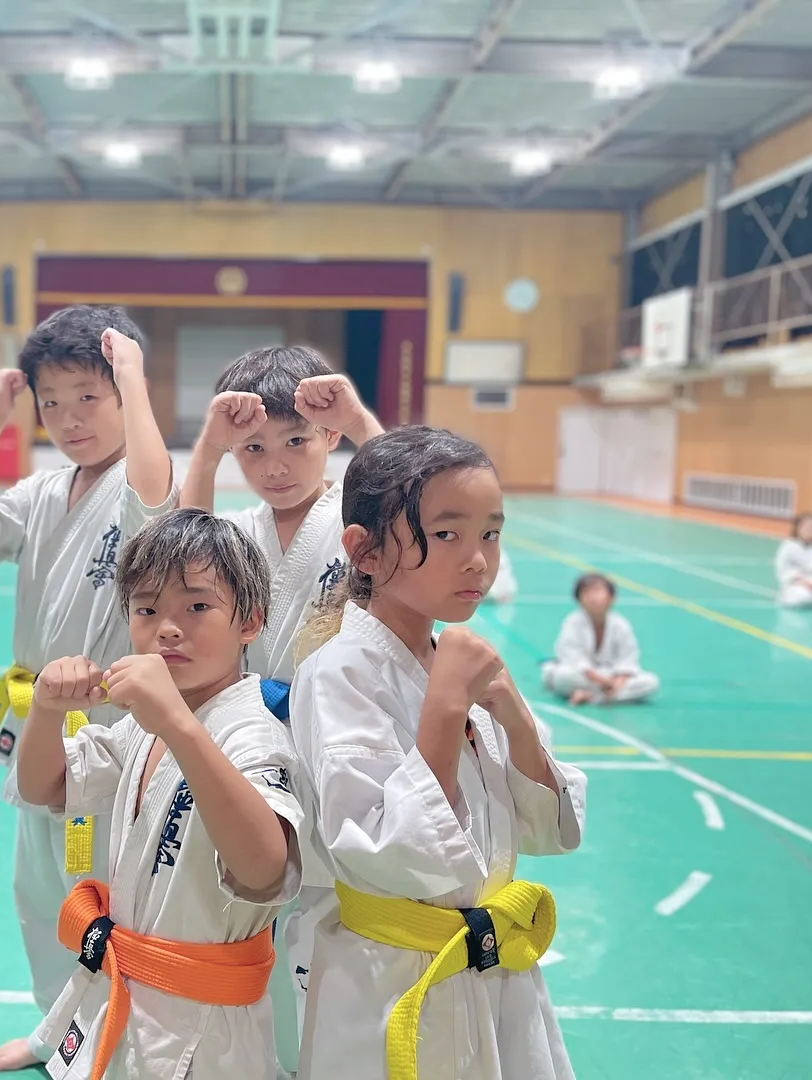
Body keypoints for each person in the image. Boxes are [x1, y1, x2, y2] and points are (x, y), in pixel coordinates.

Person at [291, 425, 585, 1080]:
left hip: (491, 967)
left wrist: (507, 709)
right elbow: (383, 848)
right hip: (387, 973)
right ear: (363, 552)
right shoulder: (340, 670)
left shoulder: (451, 656)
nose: (478, 559)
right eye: (447, 534)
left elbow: (547, 828)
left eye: (491, 532)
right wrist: (447, 707)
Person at [0, 305, 175, 1073]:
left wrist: (133, 375)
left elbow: (159, 503)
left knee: (101, 896)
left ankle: (116, 1036)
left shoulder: (138, 485)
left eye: (88, 397)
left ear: (124, 396)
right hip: (36, 720)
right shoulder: (42, 491)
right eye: (51, 402)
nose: (68, 418)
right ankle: (54, 1027)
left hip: (102, 730)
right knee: (37, 893)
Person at [17, 508, 302, 1080]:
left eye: (197, 606)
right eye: (147, 610)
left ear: (249, 621)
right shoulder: (140, 725)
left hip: (208, 1027)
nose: (168, 628)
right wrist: (46, 712)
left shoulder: (254, 733)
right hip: (127, 994)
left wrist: (178, 726)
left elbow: (265, 870)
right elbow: (45, 787)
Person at [178, 345, 380, 1043]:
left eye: (297, 441)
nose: (276, 465)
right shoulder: (238, 531)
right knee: (252, 904)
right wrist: (205, 452)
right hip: (251, 745)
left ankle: (326, 1051)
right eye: (253, 448)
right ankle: (269, 1050)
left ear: (330, 438)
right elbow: (181, 552)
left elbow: (417, 504)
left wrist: (362, 420)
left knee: (335, 912)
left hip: (341, 741)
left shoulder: (355, 523)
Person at [541, 573, 659, 705]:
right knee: (562, 676)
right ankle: (610, 696)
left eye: (597, 591)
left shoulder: (620, 624)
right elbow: (575, 660)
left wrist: (618, 681)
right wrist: (604, 682)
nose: (592, 597)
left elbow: (628, 660)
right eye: (586, 592)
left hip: (610, 675)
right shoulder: (572, 622)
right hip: (586, 676)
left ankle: (593, 698)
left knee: (650, 682)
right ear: (579, 599)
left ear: (611, 598)